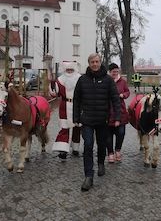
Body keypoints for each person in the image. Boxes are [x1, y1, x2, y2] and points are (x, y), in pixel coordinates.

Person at [73, 53, 121, 191]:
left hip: (102, 119)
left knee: (102, 144)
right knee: (88, 145)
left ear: (100, 62)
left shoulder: (108, 80)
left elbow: (115, 99)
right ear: (89, 63)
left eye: (97, 61)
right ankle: (88, 176)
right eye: (92, 62)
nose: (95, 64)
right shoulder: (82, 80)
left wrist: (117, 117)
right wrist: (76, 118)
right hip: (87, 120)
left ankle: (101, 162)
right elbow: (76, 100)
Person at [50, 61, 82, 159]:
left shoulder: (80, 79)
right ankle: (63, 150)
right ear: (64, 70)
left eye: (71, 69)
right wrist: (52, 85)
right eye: (67, 70)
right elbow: (55, 93)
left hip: (78, 105)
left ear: (74, 69)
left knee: (77, 127)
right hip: (64, 105)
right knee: (64, 128)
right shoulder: (60, 80)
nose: (69, 71)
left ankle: (75, 148)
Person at [106, 63, 130, 163]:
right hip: (108, 110)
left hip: (121, 110)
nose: (115, 73)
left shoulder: (122, 82)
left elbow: (127, 92)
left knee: (121, 132)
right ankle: (110, 153)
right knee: (108, 134)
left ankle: (118, 150)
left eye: (116, 71)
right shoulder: (106, 81)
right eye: (113, 72)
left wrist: (123, 95)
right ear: (109, 72)